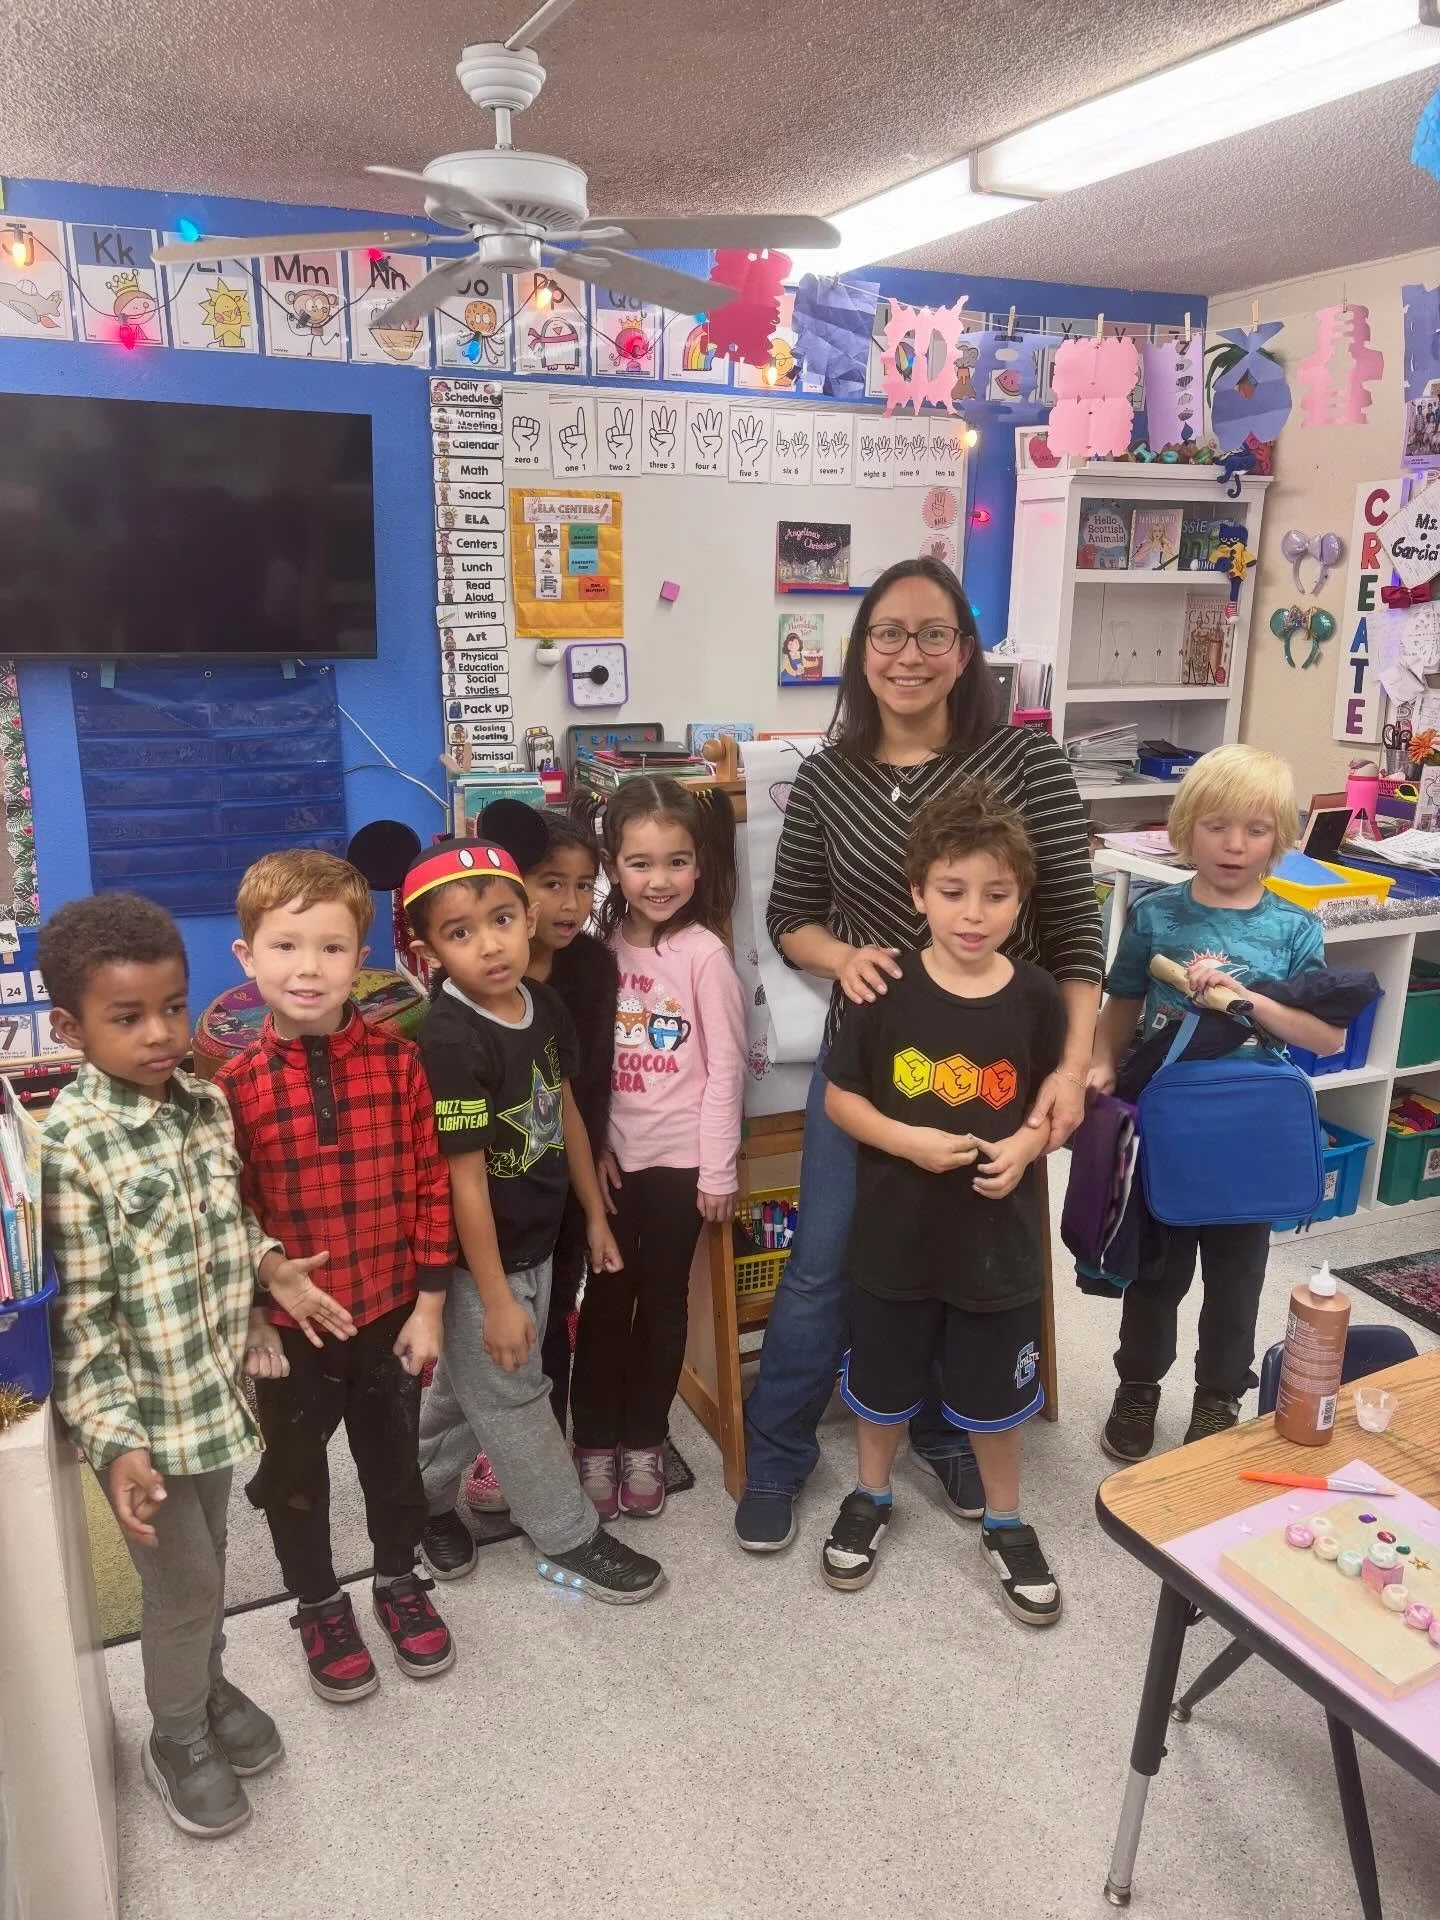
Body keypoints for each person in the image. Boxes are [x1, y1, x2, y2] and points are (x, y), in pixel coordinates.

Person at [738, 556, 1104, 1552]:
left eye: (932, 633)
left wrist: (1069, 1070)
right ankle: (779, 1455)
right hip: (871, 1057)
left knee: (975, 1260)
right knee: (823, 1264)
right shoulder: (827, 776)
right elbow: (790, 917)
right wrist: (843, 955)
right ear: (860, 652)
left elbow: (1074, 928)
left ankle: (950, 1429)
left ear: (965, 650)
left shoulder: (1025, 763)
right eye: (888, 634)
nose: (909, 654)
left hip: (997, 1062)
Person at [40, 893, 346, 1838]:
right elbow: (80, 1326)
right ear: (69, 1027)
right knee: (180, 1589)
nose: (162, 1033)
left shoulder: (206, 1106)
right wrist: (116, 1443)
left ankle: (206, 1691)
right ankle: (175, 1735)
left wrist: (269, 1272)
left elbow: (228, 1222)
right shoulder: (69, 1148)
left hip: (215, 1396)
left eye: (172, 1006)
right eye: (127, 1018)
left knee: (208, 1569)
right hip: (142, 1428)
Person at [215, 851, 458, 1705]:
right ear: (247, 959)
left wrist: (430, 1307)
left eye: (331, 948)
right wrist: (251, 1312)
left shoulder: (399, 1067)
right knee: (294, 1475)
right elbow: (227, 1212)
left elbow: (433, 1187)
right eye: (285, 947)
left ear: (364, 959)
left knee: (392, 1465)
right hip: (291, 1333)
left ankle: (397, 1578)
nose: (307, 969)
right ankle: (317, 1601)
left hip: (390, 1314)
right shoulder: (231, 1089)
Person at [819, 784, 1065, 1624]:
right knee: (881, 1382)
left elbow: (1052, 1108)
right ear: (918, 891)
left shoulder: (1036, 997)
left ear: (1020, 900)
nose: (974, 914)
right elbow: (841, 1101)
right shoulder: (881, 987)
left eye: (996, 896)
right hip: (896, 1237)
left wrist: (1030, 1146)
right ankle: (871, 1494)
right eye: (953, 892)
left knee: (997, 1395)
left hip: (999, 1245)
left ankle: (1005, 1519)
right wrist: (909, 1141)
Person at [404, 836, 665, 1603]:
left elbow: (570, 1118)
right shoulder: (448, 1040)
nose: (490, 945)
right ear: (428, 952)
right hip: (477, 1260)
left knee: (466, 1389)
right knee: (514, 1391)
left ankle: (412, 1499)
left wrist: (594, 1217)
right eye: (461, 933)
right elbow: (465, 1186)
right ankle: (570, 1534)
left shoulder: (541, 1003)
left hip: (538, 1240)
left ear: (527, 916)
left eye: (502, 919)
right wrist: (492, 1300)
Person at [1090, 745, 1345, 1459]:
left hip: (1249, 1137)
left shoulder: (1296, 930)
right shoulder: (1154, 914)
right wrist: (1103, 1066)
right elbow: (1123, 1004)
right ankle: (1137, 1386)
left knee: (1236, 1284)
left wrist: (1249, 1000)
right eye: (1216, 825)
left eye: (1256, 830)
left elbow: (1323, 1036)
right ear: (1186, 826)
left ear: (1281, 840)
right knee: (1154, 1276)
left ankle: (1217, 1397)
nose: (1234, 845)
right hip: (1166, 1124)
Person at [569, 778, 746, 1519]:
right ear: (614, 864)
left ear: (699, 865)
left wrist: (718, 1168)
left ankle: (646, 1435)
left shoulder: (704, 955)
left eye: (676, 862)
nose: (660, 880)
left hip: (680, 1167)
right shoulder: (600, 948)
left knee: (662, 1305)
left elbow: (726, 1066)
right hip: (613, 1162)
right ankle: (594, 1440)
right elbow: (588, 1064)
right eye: (641, 863)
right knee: (607, 1299)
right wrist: (595, 1150)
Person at [462, 806, 618, 1515]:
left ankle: (543, 1447)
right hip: (495, 1180)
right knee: (495, 1319)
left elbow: (591, 1083)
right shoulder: (475, 984)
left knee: (554, 1314)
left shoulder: (593, 966)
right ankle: (499, 1439)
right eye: (552, 884)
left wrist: (593, 1183)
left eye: (585, 887)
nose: (571, 904)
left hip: (563, 1164)